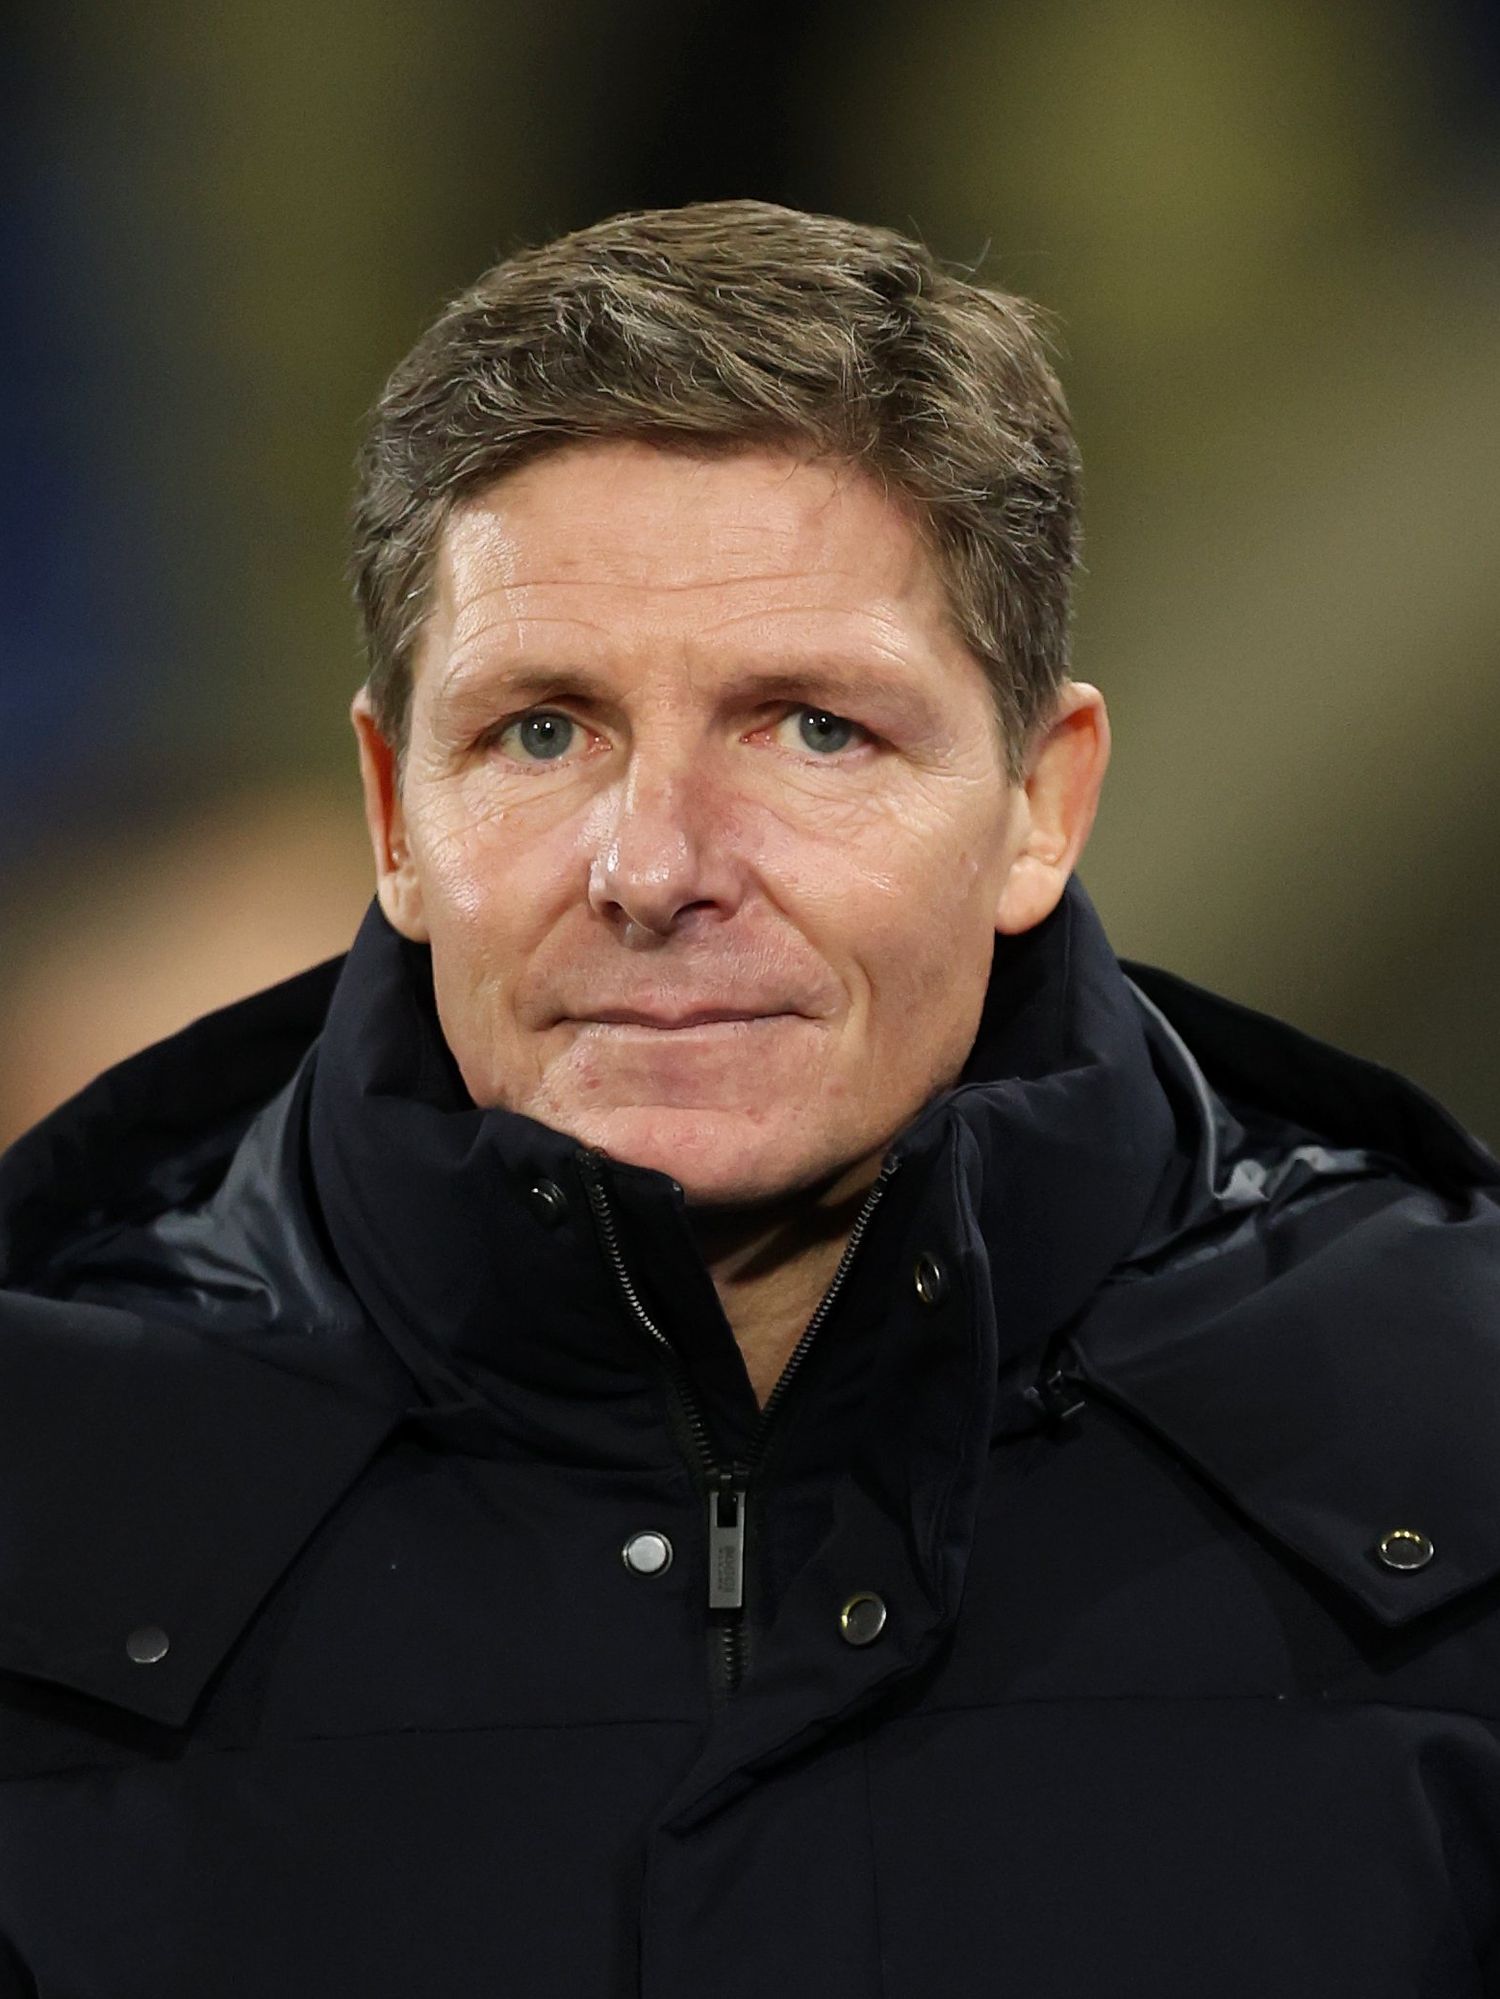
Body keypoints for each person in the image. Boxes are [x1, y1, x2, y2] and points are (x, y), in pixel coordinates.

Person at [0, 199, 1496, 1999]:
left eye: (811, 727)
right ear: (397, 815)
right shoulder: (40, 1469)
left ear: (1044, 802)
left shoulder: (1460, 1414)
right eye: (544, 730)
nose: (658, 864)